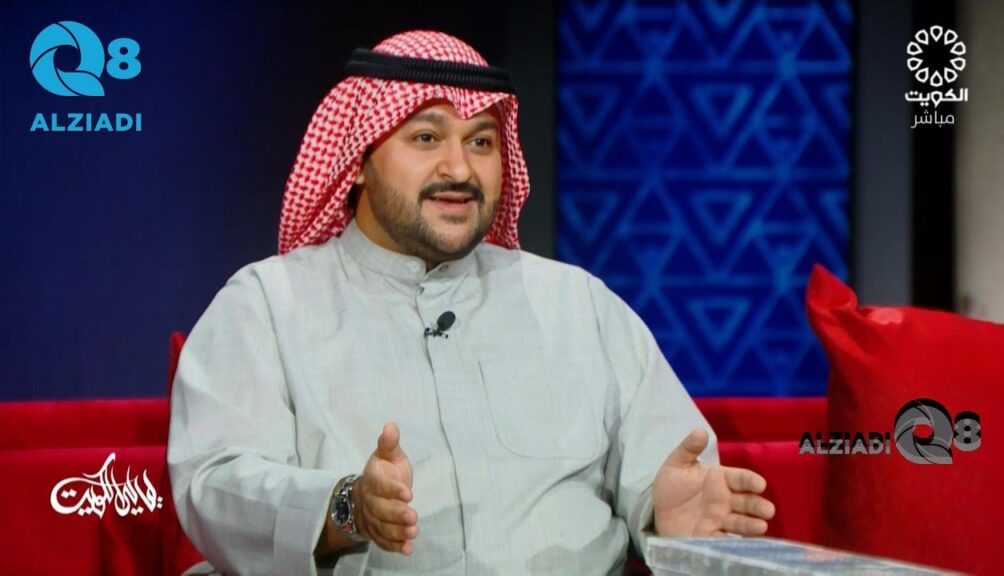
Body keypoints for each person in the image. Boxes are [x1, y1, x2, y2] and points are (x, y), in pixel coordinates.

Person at [167, 30, 775, 576]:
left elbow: (673, 472)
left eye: (481, 141)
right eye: (426, 137)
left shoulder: (577, 303)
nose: (459, 168)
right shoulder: (266, 306)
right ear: (356, 161)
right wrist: (347, 506)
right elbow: (215, 486)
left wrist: (663, 515)